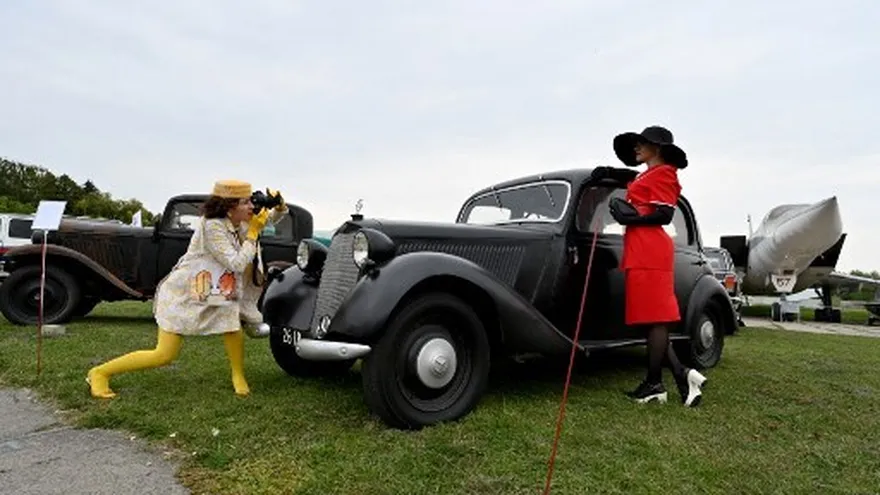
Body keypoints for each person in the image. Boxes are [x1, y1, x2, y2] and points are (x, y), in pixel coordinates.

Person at [86, 179, 288, 399]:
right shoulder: (212, 226)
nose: (252, 207)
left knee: (232, 327)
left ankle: (238, 376)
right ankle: (99, 373)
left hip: (216, 289)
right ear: (230, 206)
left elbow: (268, 219)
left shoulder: (239, 220)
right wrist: (253, 234)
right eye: (246, 202)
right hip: (187, 292)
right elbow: (237, 263)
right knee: (164, 354)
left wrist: (279, 206)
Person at [604, 125, 707, 407]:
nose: (636, 147)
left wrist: (630, 219)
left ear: (657, 148)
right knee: (650, 320)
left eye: (642, 143)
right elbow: (639, 189)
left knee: (655, 320)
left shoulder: (665, 174)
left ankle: (656, 383)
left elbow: (664, 214)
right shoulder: (648, 174)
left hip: (650, 250)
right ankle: (676, 377)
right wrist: (609, 174)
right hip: (641, 249)